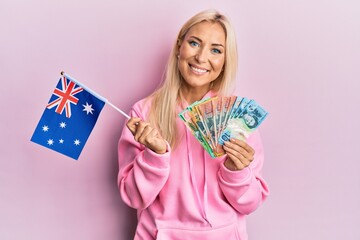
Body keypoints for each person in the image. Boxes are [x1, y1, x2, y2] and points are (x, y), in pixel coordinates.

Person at [117, 9, 269, 240]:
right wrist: (155, 155)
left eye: (216, 50)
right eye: (195, 43)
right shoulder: (143, 112)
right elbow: (133, 197)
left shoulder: (238, 117)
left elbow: (250, 203)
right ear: (179, 46)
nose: (201, 58)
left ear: (225, 60)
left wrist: (237, 171)